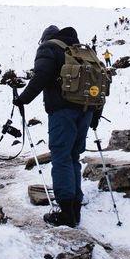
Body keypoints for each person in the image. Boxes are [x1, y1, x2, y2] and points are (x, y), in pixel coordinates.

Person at [14, 24, 97, 228]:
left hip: (62, 111)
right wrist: (95, 114)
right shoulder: (82, 52)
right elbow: (97, 84)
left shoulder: (49, 48)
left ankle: (65, 213)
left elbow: (40, 77)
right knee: (73, 157)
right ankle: (75, 208)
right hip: (86, 110)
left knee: (60, 157)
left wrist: (22, 99)